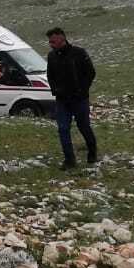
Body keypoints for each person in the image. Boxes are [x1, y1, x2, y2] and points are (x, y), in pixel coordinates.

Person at [45, 27, 98, 167]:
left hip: (79, 99)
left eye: (53, 41)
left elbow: (91, 72)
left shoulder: (79, 53)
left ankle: (92, 152)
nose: (51, 44)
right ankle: (69, 159)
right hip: (62, 100)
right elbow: (50, 75)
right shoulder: (51, 56)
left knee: (84, 126)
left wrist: (82, 90)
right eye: (49, 41)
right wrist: (55, 90)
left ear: (62, 38)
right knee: (62, 128)